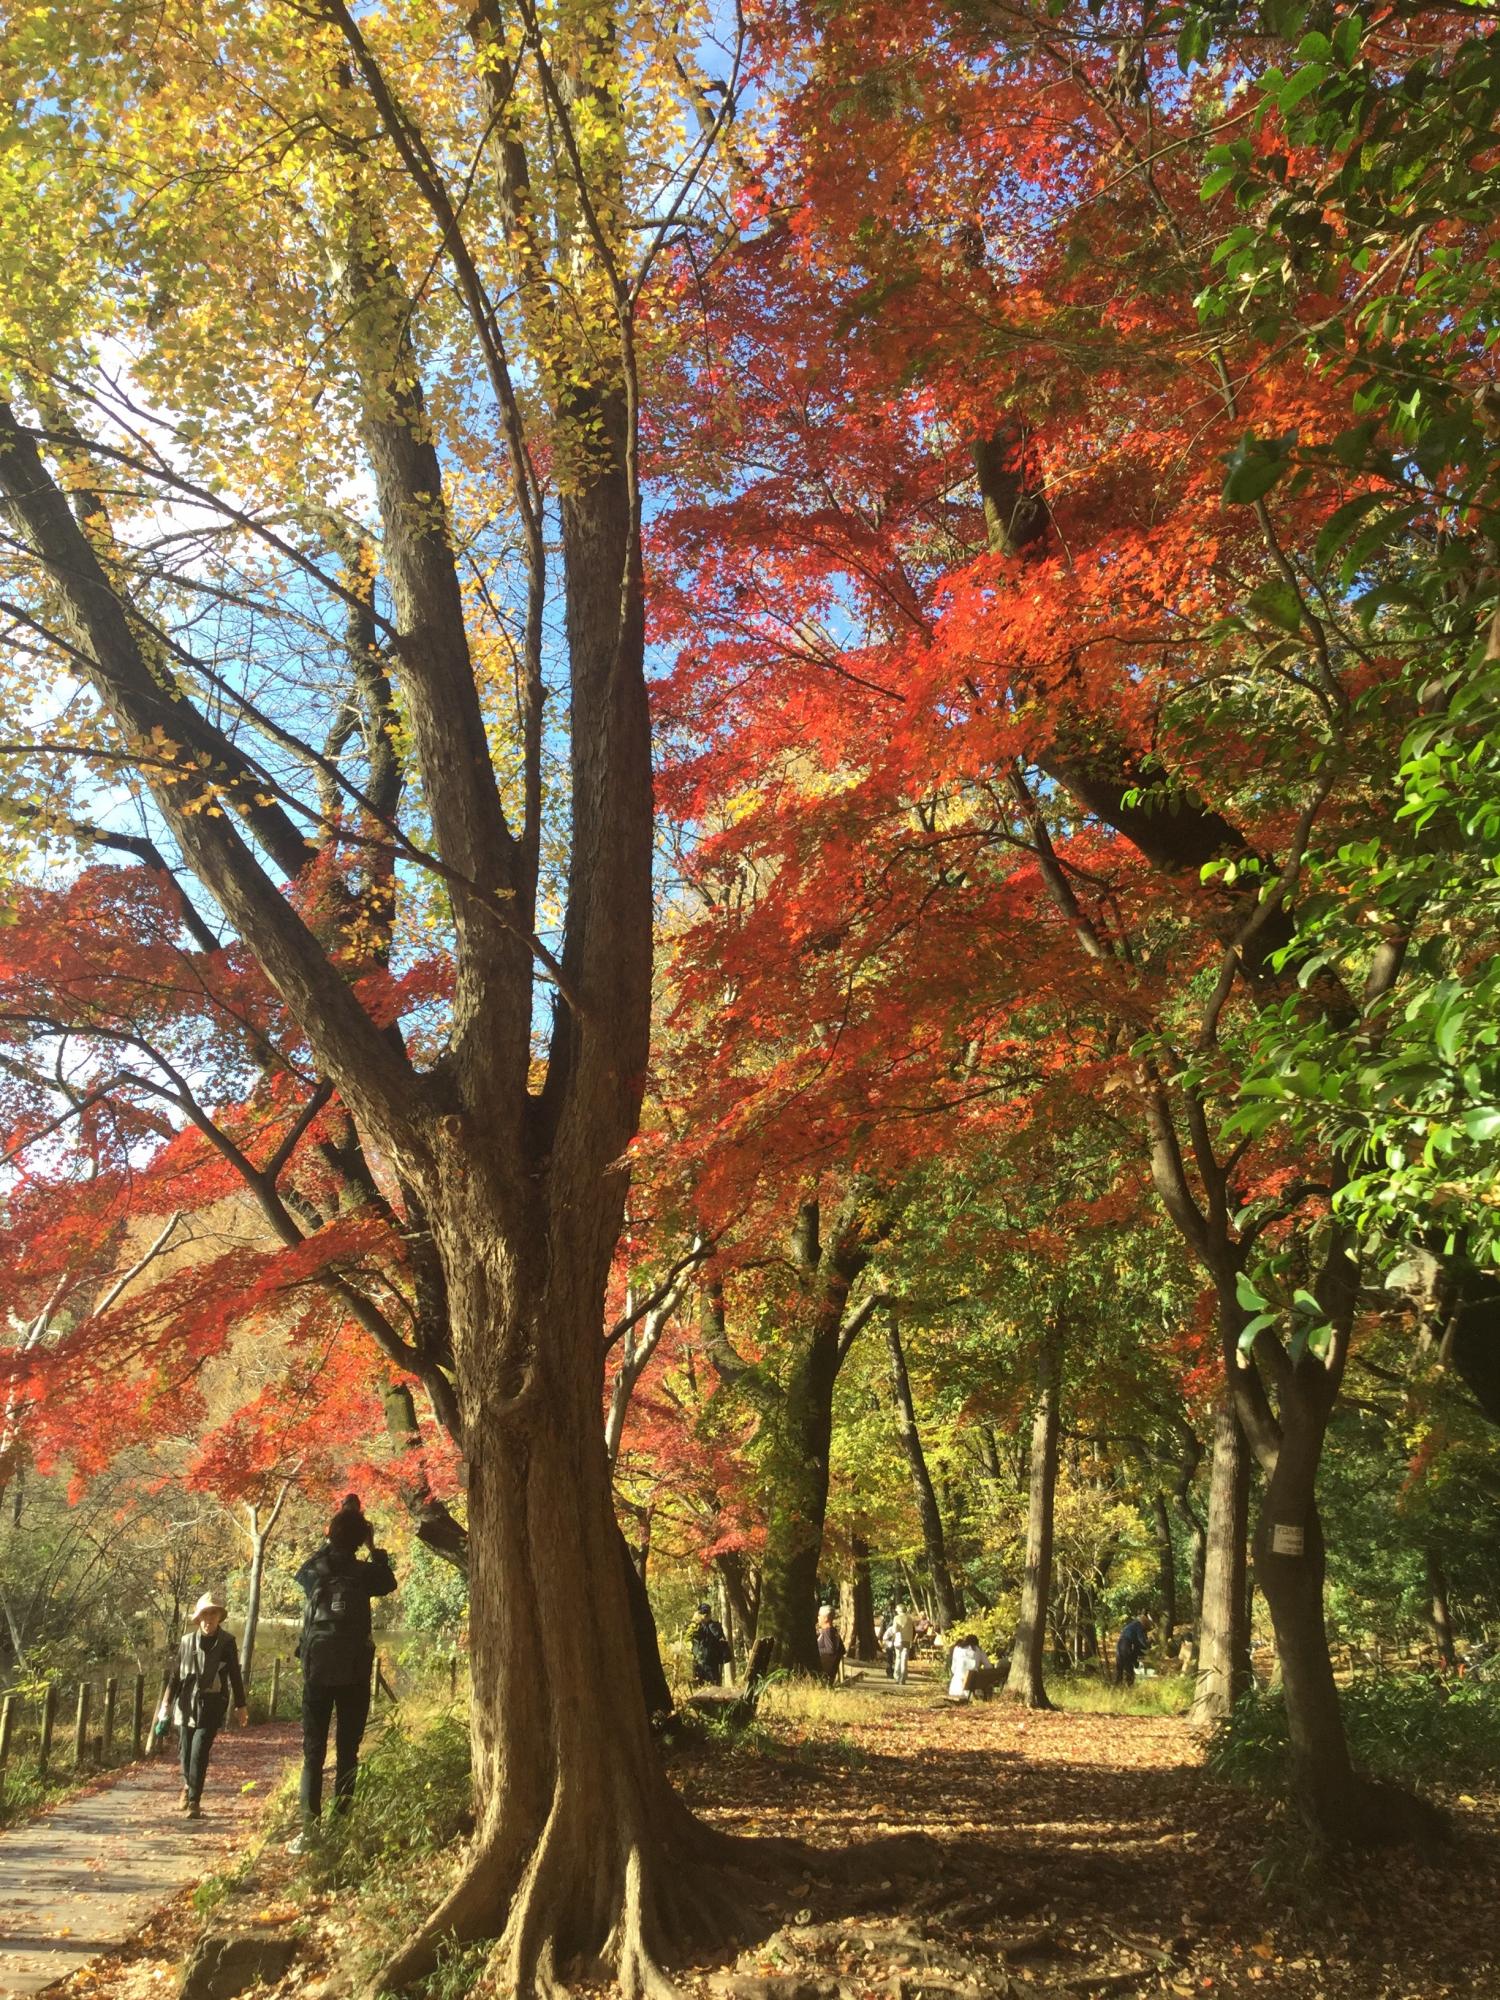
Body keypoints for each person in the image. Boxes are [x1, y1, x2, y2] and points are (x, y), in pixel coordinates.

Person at [289, 1493, 396, 1850]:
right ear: (359, 1539)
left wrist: (332, 1540)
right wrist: (374, 1546)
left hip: (317, 1671)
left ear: (330, 1534)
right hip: (354, 1673)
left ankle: (309, 1829)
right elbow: (388, 1582)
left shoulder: (316, 1571)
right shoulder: (365, 1573)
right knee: (348, 1750)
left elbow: (301, 1573)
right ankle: (341, 1823)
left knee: (313, 1751)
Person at [166, 1591, 248, 1819]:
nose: (208, 1619)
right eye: (205, 1614)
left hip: (212, 1703)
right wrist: (165, 1705)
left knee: (199, 1750)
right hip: (185, 1703)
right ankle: (187, 1785)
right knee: (185, 1751)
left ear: (219, 1617)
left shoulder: (227, 1642)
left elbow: (234, 1674)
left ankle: (194, 1801)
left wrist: (240, 1705)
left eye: (213, 1614)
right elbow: (175, 1677)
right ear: (198, 1617)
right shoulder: (186, 1642)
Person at [688, 1601, 731, 1686]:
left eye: (706, 1613)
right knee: (701, 1686)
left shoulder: (713, 1626)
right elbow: (692, 1642)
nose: (705, 1616)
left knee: (713, 1685)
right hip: (700, 1663)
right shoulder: (696, 1628)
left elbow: (720, 1638)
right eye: (703, 1613)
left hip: (711, 1663)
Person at [947, 1632, 993, 1701]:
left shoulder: (957, 1649)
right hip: (973, 1687)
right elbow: (989, 1667)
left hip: (956, 1688)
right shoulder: (979, 1651)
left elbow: (953, 1669)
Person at [1114, 1611, 1150, 1688]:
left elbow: (1137, 1642)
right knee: (1128, 1665)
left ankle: (1117, 1686)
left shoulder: (1132, 1625)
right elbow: (1141, 1640)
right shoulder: (1139, 1626)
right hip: (1125, 1644)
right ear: (1144, 1624)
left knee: (1119, 1666)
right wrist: (1148, 1647)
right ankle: (1129, 1685)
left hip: (1120, 1644)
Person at [815, 1605, 846, 1685]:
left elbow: (830, 1650)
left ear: (825, 1618)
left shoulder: (827, 1631)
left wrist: (815, 1650)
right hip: (831, 1674)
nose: (818, 1617)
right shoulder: (834, 1631)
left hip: (824, 1674)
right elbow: (842, 1650)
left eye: (819, 1615)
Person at [888, 1602, 915, 1684]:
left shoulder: (896, 1618)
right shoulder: (910, 1618)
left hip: (898, 1640)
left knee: (898, 1658)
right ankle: (903, 1678)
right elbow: (912, 1630)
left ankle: (897, 1676)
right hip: (907, 1640)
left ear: (899, 1610)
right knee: (904, 1659)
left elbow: (894, 1630)